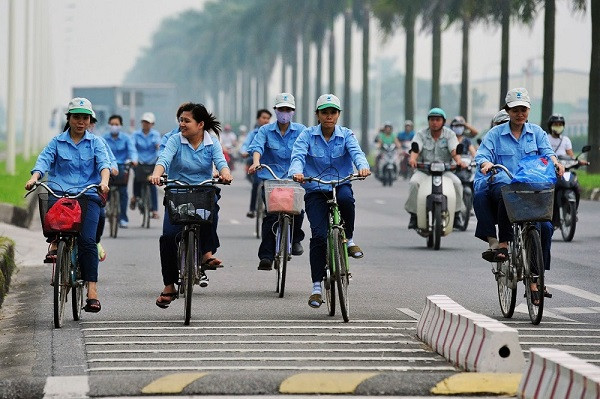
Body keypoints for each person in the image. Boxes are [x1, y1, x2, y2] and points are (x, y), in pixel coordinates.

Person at [473, 88, 565, 303]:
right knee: (506, 191)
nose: (519, 113)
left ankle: (535, 279)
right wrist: (486, 163)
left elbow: (547, 153)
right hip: (505, 188)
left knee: (545, 228)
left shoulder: (537, 133)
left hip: (532, 191)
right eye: (515, 110)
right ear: (508, 110)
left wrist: (555, 163)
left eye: (523, 109)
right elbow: (483, 154)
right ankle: (502, 244)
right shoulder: (495, 134)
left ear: (528, 111)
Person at [25, 98, 111, 313]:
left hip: (88, 194)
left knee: (88, 241)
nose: (80, 122)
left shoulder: (96, 143)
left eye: (84, 118)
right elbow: (44, 161)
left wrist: (104, 182)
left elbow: (104, 164)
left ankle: (92, 291)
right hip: (60, 193)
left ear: (89, 120)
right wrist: (35, 178)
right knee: (55, 226)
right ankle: (55, 244)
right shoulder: (56, 142)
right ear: (69, 119)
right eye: (76, 117)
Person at [289, 94, 370, 309]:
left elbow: (357, 154)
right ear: (317, 115)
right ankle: (316, 287)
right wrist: (296, 172)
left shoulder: (346, 135)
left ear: (338, 115)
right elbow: (297, 156)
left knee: (346, 200)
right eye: (324, 112)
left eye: (333, 112)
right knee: (318, 236)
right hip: (315, 188)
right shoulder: (306, 135)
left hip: (340, 183)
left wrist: (362, 166)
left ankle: (349, 239)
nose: (329, 116)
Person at [148, 103, 233, 308]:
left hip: (203, 193)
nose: (182, 124)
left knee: (212, 212)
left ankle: (206, 254)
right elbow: (164, 160)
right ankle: (169, 286)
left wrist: (225, 173)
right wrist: (157, 174)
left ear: (200, 124)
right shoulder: (175, 140)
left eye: (187, 121)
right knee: (168, 237)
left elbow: (220, 162)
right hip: (177, 194)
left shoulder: (211, 143)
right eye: (181, 120)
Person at [248, 93, 306, 271]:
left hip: (293, 179)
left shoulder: (302, 131)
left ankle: (295, 239)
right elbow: (257, 147)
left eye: (288, 109)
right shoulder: (265, 130)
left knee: (297, 211)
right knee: (271, 216)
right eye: (281, 109)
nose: (284, 113)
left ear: (293, 111)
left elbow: (307, 150)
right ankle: (266, 256)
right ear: (275, 110)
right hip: (271, 178)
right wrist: (256, 162)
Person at [405, 107, 466, 229]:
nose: (435, 122)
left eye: (438, 120)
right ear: (428, 121)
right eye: (432, 120)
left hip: (444, 171)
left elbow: (454, 150)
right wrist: (412, 159)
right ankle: (414, 215)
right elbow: (416, 149)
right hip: (424, 171)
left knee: (457, 183)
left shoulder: (450, 135)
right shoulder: (421, 134)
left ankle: (457, 215)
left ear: (443, 121)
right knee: (413, 183)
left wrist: (459, 161)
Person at [546, 113, 587, 220]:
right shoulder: (545, 138)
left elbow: (571, 156)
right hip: (550, 170)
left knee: (576, 186)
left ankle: (573, 211)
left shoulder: (566, 140)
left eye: (560, 124)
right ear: (550, 125)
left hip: (565, 169)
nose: (558, 126)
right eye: (556, 124)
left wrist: (578, 161)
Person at [103, 114, 138, 228]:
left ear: (121, 125)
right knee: (104, 189)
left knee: (123, 192)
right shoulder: (103, 138)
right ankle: (105, 209)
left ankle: (123, 217)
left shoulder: (126, 138)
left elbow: (132, 151)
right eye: (112, 124)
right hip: (108, 168)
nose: (114, 126)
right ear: (109, 125)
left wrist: (134, 160)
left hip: (122, 167)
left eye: (116, 124)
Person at [240, 109, 272, 218]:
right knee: (256, 183)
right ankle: (252, 209)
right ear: (258, 119)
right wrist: (244, 152)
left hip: (269, 164)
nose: (266, 120)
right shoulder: (253, 133)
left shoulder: (272, 132)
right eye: (264, 118)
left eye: (268, 118)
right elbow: (245, 144)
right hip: (256, 163)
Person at [131, 112, 161, 219]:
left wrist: (159, 158)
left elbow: (159, 147)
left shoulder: (155, 135)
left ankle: (154, 210)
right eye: (144, 122)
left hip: (152, 162)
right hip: (139, 161)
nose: (146, 124)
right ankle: (135, 197)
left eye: (148, 123)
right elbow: (132, 148)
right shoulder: (135, 135)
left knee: (153, 184)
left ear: (152, 124)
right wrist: (134, 159)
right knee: (137, 179)